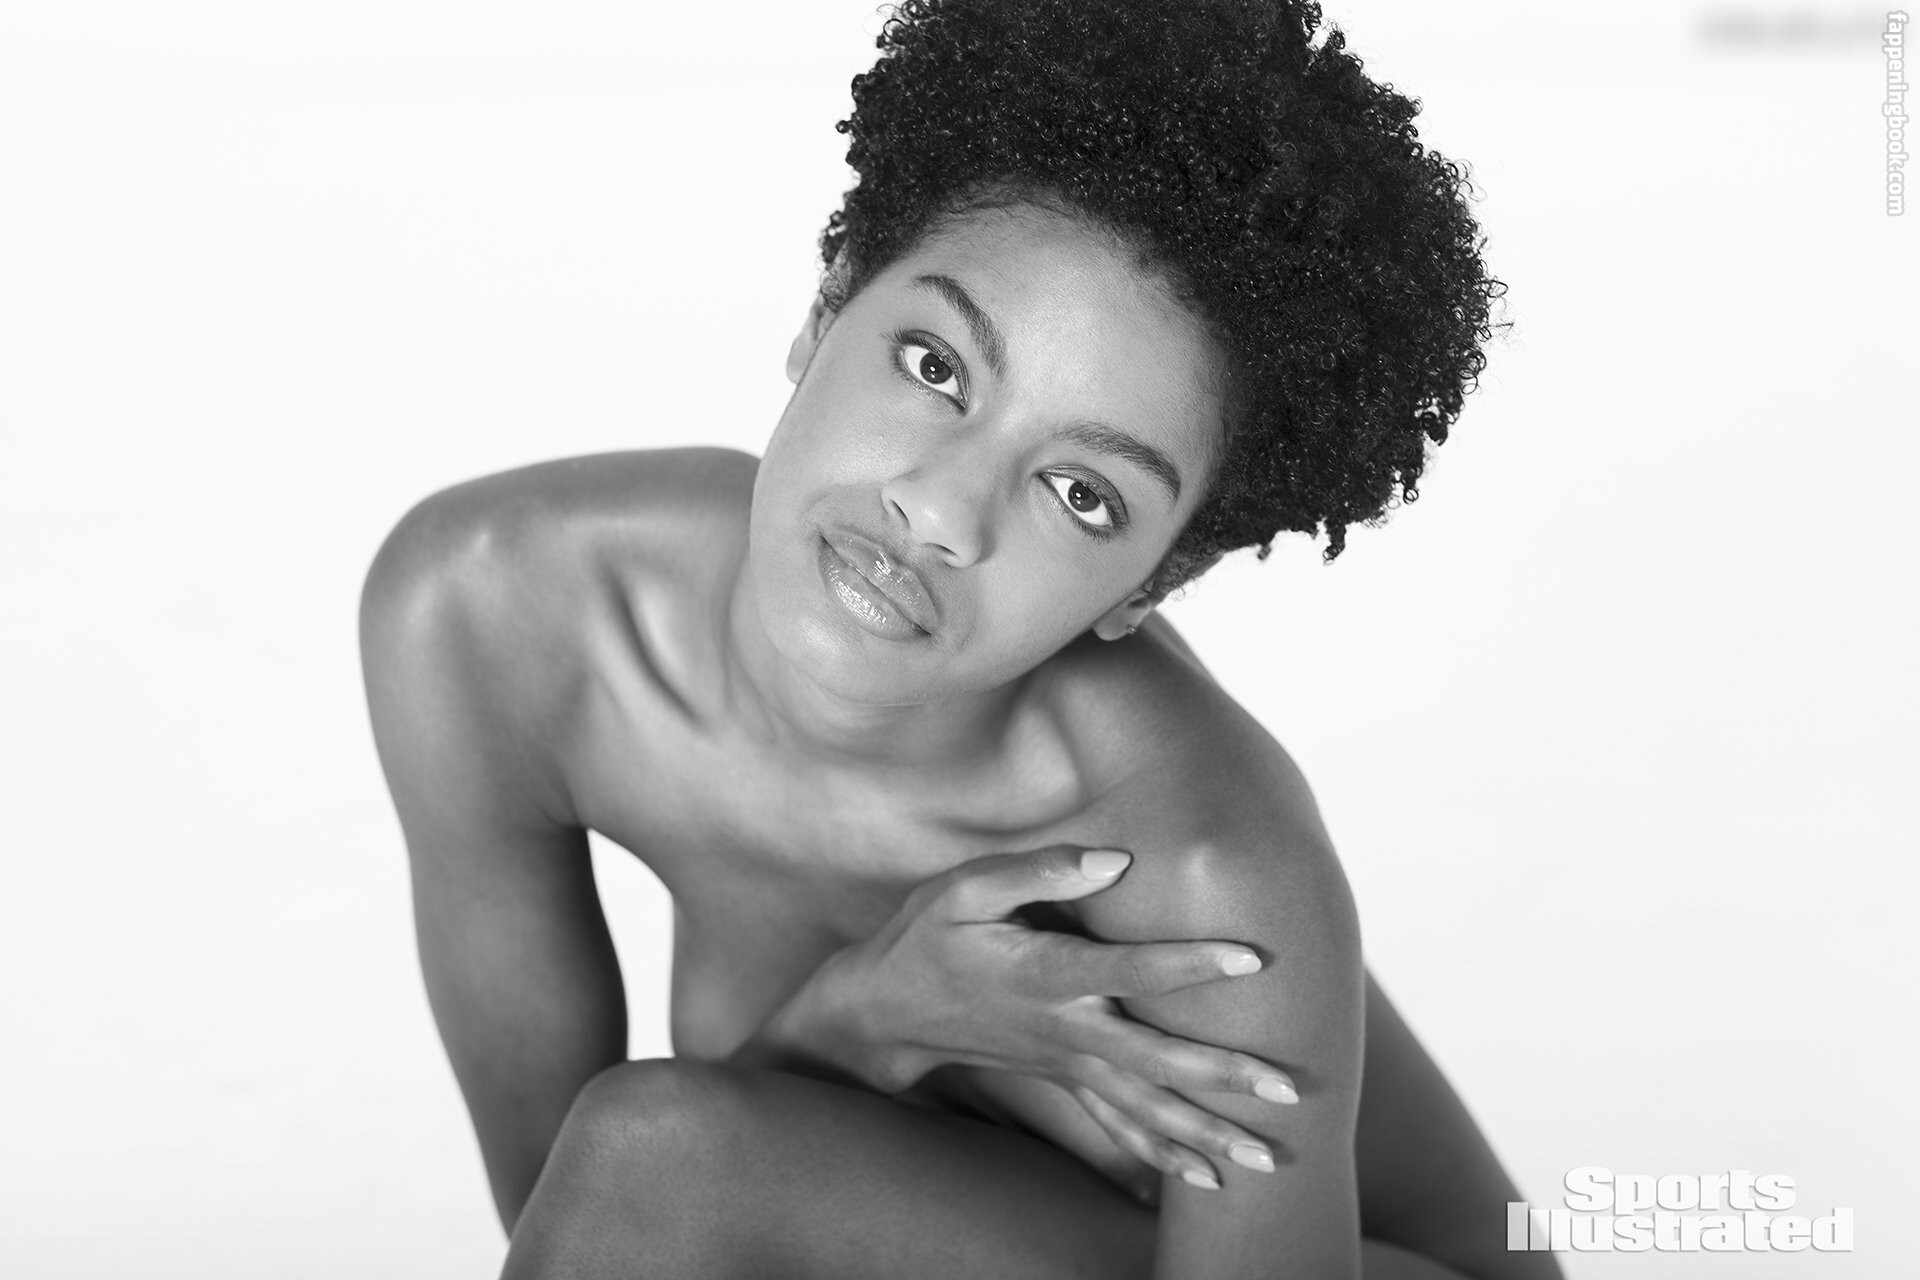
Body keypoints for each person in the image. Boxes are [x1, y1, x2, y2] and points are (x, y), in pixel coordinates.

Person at [360, 0, 1550, 1275]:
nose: (937, 511)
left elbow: (646, 1194)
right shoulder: (482, 615)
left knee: (659, 1150)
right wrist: (865, 1018)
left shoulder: (1206, 871)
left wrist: (831, 1049)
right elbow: (567, 1211)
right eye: (934, 366)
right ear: (826, 308)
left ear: (1154, 580)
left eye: (1081, 493)